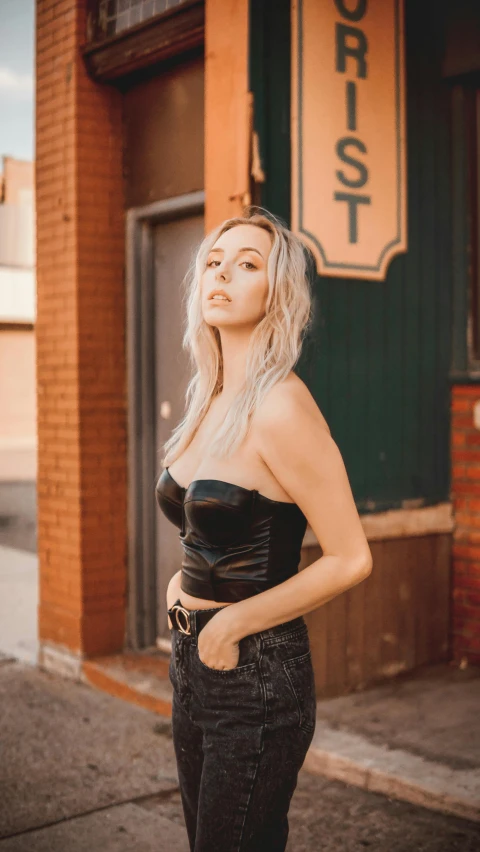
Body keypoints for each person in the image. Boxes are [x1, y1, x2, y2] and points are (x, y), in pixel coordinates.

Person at [155, 207, 372, 851]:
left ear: (277, 291)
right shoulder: (209, 395)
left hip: (255, 671)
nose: (222, 275)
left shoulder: (282, 405)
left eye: (247, 265)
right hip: (193, 665)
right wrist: (180, 583)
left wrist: (230, 623)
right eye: (214, 264)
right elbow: (207, 527)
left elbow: (351, 557)